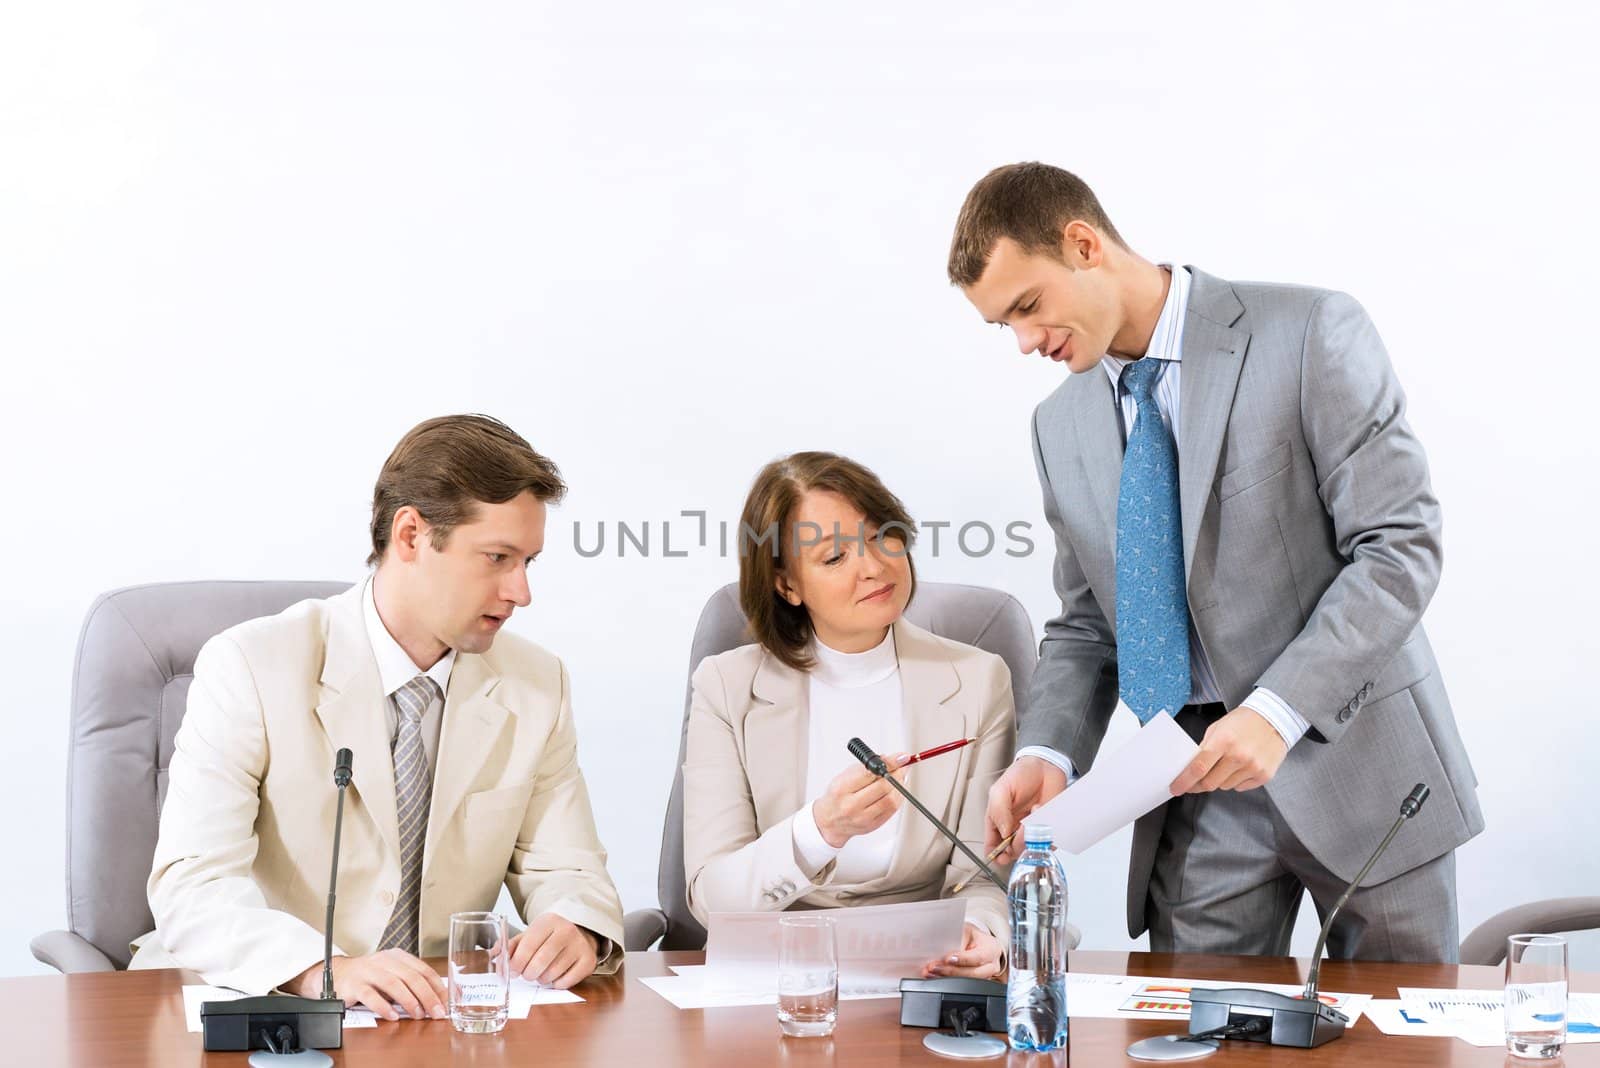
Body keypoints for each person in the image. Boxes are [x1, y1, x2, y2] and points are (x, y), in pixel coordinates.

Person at [948, 163, 1483, 961]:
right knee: (1188, 1034)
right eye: (1005, 327)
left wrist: (1277, 710)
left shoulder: (1309, 332)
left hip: (1362, 767)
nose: (1026, 342)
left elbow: (1399, 544)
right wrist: (1046, 752)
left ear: (1084, 245)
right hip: (1194, 788)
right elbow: (1090, 620)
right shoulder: (1057, 426)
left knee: (1401, 1038)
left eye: (1028, 306)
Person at [130, 414, 625, 1016]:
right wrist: (321, 968)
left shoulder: (537, 684)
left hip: (433, 1021)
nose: (521, 592)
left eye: (529, 562)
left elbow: (569, 865)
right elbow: (193, 887)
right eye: (497, 557)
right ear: (412, 536)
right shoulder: (250, 665)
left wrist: (575, 924)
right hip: (260, 1004)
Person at [683, 451, 1074, 981]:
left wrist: (982, 934)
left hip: (928, 973)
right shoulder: (727, 687)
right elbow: (712, 899)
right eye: (834, 558)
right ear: (787, 586)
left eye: (879, 536)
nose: (872, 567)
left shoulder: (978, 679)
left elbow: (985, 875)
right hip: (781, 976)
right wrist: (819, 830)